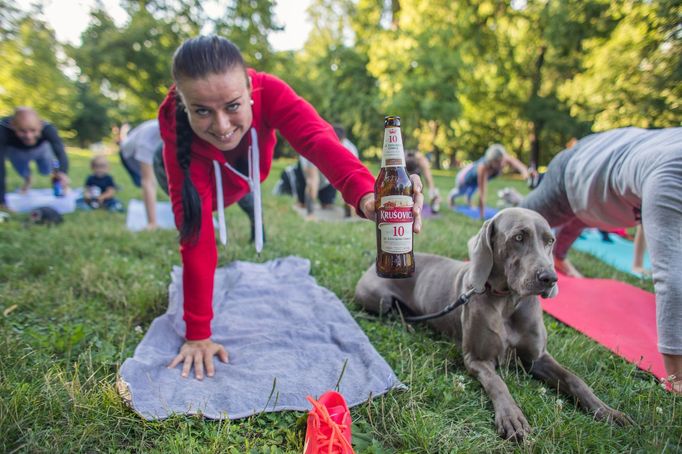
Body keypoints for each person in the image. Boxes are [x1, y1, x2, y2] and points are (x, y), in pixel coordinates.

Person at [158, 36, 424, 380]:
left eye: (233, 106)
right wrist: (197, 335)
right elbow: (196, 236)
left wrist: (367, 195)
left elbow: (318, 140)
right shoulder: (172, 121)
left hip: (244, 177)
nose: (222, 126)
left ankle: (247, 203)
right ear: (183, 102)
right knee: (196, 223)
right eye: (203, 111)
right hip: (193, 170)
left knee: (248, 196)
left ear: (250, 87)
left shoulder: (270, 91)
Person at [519, 127, 682, 392]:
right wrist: (677, 377)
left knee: (578, 221)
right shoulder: (672, 176)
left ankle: (558, 257)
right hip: (575, 171)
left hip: (606, 167)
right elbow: (670, 274)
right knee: (521, 221)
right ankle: (480, 253)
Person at [0, 107, 70, 209]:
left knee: (46, 170)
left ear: (40, 125)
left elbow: (60, 152)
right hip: (16, 152)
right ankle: (28, 179)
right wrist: (1, 201)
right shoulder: (3, 129)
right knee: (23, 170)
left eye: (33, 130)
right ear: (12, 125)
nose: (29, 136)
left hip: (42, 150)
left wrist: (63, 172)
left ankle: (59, 182)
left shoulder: (48, 128)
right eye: (23, 131)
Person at [448, 144, 529, 220]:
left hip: (474, 182)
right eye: (498, 162)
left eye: (502, 161)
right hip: (464, 178)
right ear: (491, 161)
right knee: (460, 192)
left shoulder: (503, 158)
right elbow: (482, 193)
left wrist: (526, 174)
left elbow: (519, 166)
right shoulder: (483, 168)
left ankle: (468, 203)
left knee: (471, 191)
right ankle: (450, 198)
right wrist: (482, 215)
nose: (502, 164)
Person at [119, 119, 162, 229]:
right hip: (128, 155)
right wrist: (152, 223)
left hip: (145, 141)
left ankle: (124, 132)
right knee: (144, 182)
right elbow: (148, 182)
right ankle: (123, 132)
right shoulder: (147, 140)